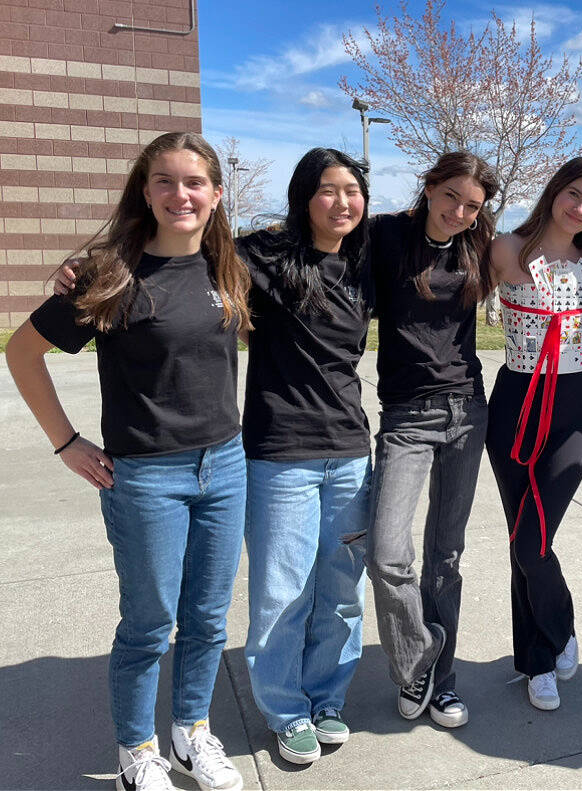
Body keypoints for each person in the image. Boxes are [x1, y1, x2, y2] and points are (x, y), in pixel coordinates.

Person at [7, 132, 249, 791]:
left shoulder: (227, 266)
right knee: (148, 622)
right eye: (165, 181)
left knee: (206, 616)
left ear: (216, 194)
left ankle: (192, 731)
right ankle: (136, 753)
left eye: (195, 182)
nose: (181, 194)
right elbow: (22, 354)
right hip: (147, 477)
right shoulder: (109, 274)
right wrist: (65, 442)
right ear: (145, 191)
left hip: (225, 468)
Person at [235, 148, 374, 764]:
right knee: (282, 590)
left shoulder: (365, 266)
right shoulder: (261, 257)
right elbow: (181, 250)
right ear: (303, 196)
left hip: (349, 450)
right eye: (327, 190)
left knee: (343, 588)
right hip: (280, 454)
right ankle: (285, 708)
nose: (341, 202)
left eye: (352, 190)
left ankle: (326, 697)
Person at [486, 156, 582, 711]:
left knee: (531, 538)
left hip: (570, 403)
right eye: (574, 194)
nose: (581, 209)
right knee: (524, 533)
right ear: (554, 191)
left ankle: (559, 624)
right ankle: (537, 662)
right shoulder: (502, 248)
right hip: (514, 400)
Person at [365, 151, 498, 728]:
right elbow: (301, 238)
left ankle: (442, 684)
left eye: (472, 205)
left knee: (446, 553)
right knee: (387, 551)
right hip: (406, 416)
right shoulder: (385, 235)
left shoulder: (480, 246)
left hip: (468, 410)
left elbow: (554, 246)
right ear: (430, 186)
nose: (460, 212)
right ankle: (420, 655)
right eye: (452, 197)